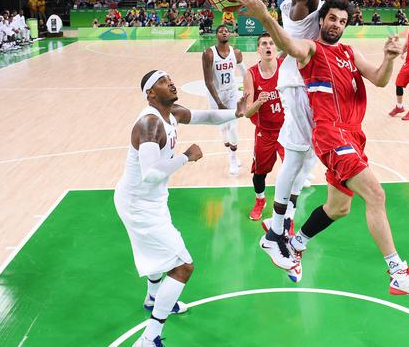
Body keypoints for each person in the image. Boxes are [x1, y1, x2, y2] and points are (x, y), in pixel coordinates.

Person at [235, 0, 409, 296]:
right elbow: (287, 44)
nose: (336, 24)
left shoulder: (348, 52)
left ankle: (293, 244)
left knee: (339, 207)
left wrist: (389, 58)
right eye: (332, 18)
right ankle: (397, 272)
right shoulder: (311, 50)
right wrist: (264, 16)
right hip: (331, 134)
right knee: (376, 195)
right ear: (321, 20)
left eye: (342, 21)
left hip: (353, 135)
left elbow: (381, 79)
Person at [115, 70, 247, 347]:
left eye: (170, 78)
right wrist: (187, 157)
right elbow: (150, 173)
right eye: (162, 81)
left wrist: (239, 112)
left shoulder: (171, 112)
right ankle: (149, 338)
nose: (171, 82)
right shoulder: (150, 124)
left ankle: (153, 297)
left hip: (150, 200)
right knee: (183, 266)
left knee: (157, 254)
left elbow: (207, 117)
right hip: (139, 204)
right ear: (150, 94)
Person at [258, 0, 326, 275]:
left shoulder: (313, 5)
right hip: (299, 87)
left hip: (310, 88)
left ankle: (282, 224)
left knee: (305, 162)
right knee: (296, 157)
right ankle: (274, 230)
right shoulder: (304, 4)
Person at [243, 33, 286, 223]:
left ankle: (287, 214)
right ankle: (260, 200)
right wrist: (259, 102)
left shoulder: (285, 68)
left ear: (275, 48)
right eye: (263, 44)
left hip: (287, 131)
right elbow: (247, 111)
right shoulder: (251, 74)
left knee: (290, 174)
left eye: (271, 43)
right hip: (265, 132)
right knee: (260, 174)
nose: (268, 46)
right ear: (258, 50)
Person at [201, 24, 246, 175]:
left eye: (226, 31)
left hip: (232, 93)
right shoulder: (209, 54)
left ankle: (233, 158)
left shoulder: (237, 53)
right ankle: (229, 150)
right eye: (221, 31)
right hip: (216, 95)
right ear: (216, 35)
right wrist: (219, 103)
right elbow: (208, 81)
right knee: (223, 128)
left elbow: (246, 74)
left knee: (233, 126)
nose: (224, 32)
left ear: (230, 34)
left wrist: (250, 91)